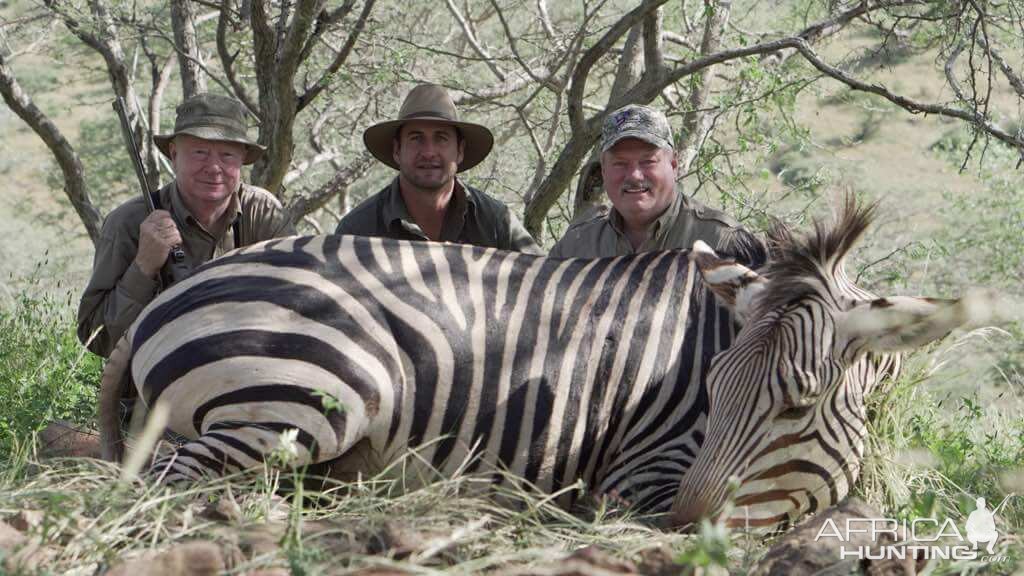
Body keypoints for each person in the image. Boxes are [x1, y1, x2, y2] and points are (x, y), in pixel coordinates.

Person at [78, 93, 296, 357]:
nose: (214, 167)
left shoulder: (264, 213)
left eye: (227, 155)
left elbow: (296, 308)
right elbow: (96, 339)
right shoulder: (127, 222)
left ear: (242, 160)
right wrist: (143, 268)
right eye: (200, 153)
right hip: (157, 384)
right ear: (174, 154)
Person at [335, 83, 542, 254]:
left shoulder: (496, 223)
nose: (429, 152)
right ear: (397, 150)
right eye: (416, 138)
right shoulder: (356, 232)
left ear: (459, 151)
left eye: (441, 138)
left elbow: (541, 282)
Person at [550, 104, 765, 268]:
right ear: (604, 171)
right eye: (620, 164)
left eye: (648, 161)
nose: (634, 175)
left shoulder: (724, 242)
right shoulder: (575, 246)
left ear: (673, 164)